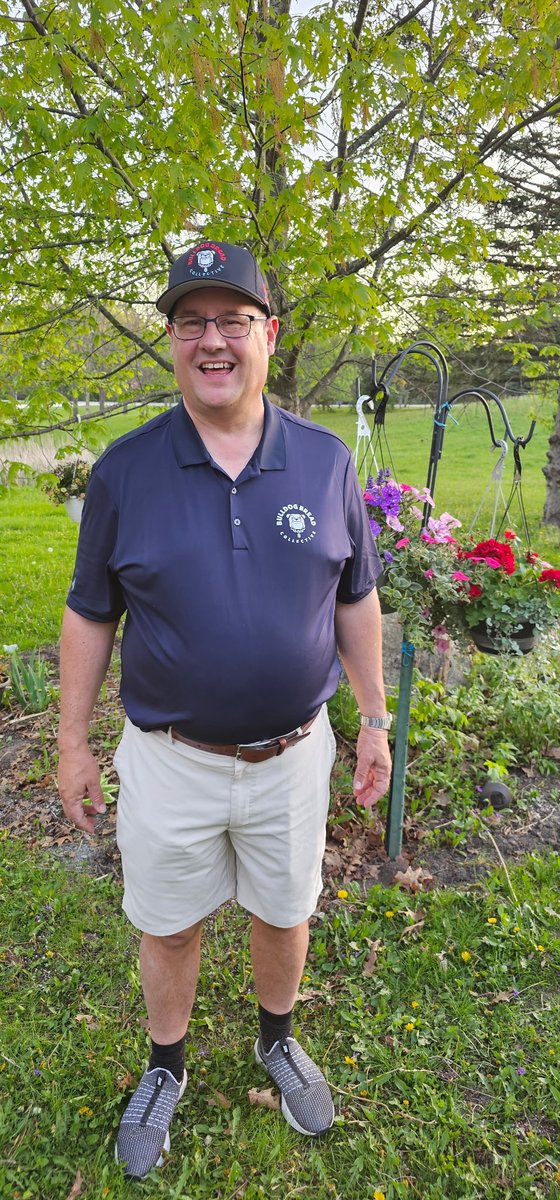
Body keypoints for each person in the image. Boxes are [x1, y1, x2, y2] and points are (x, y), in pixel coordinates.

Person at [57, 239, 392, 1180]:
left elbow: (355, 596)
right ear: (170, 340)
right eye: (191, 321)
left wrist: (373, 718)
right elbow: (89, 612)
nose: (213, 340)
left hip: (292, 755)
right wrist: (72, 742)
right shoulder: (126, 470)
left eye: (232, 320)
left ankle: (277, 1042)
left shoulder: (325, 463)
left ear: (267, 334)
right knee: (167, 922)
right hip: (171, 756)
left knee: (285, 914)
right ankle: (165, 1066)